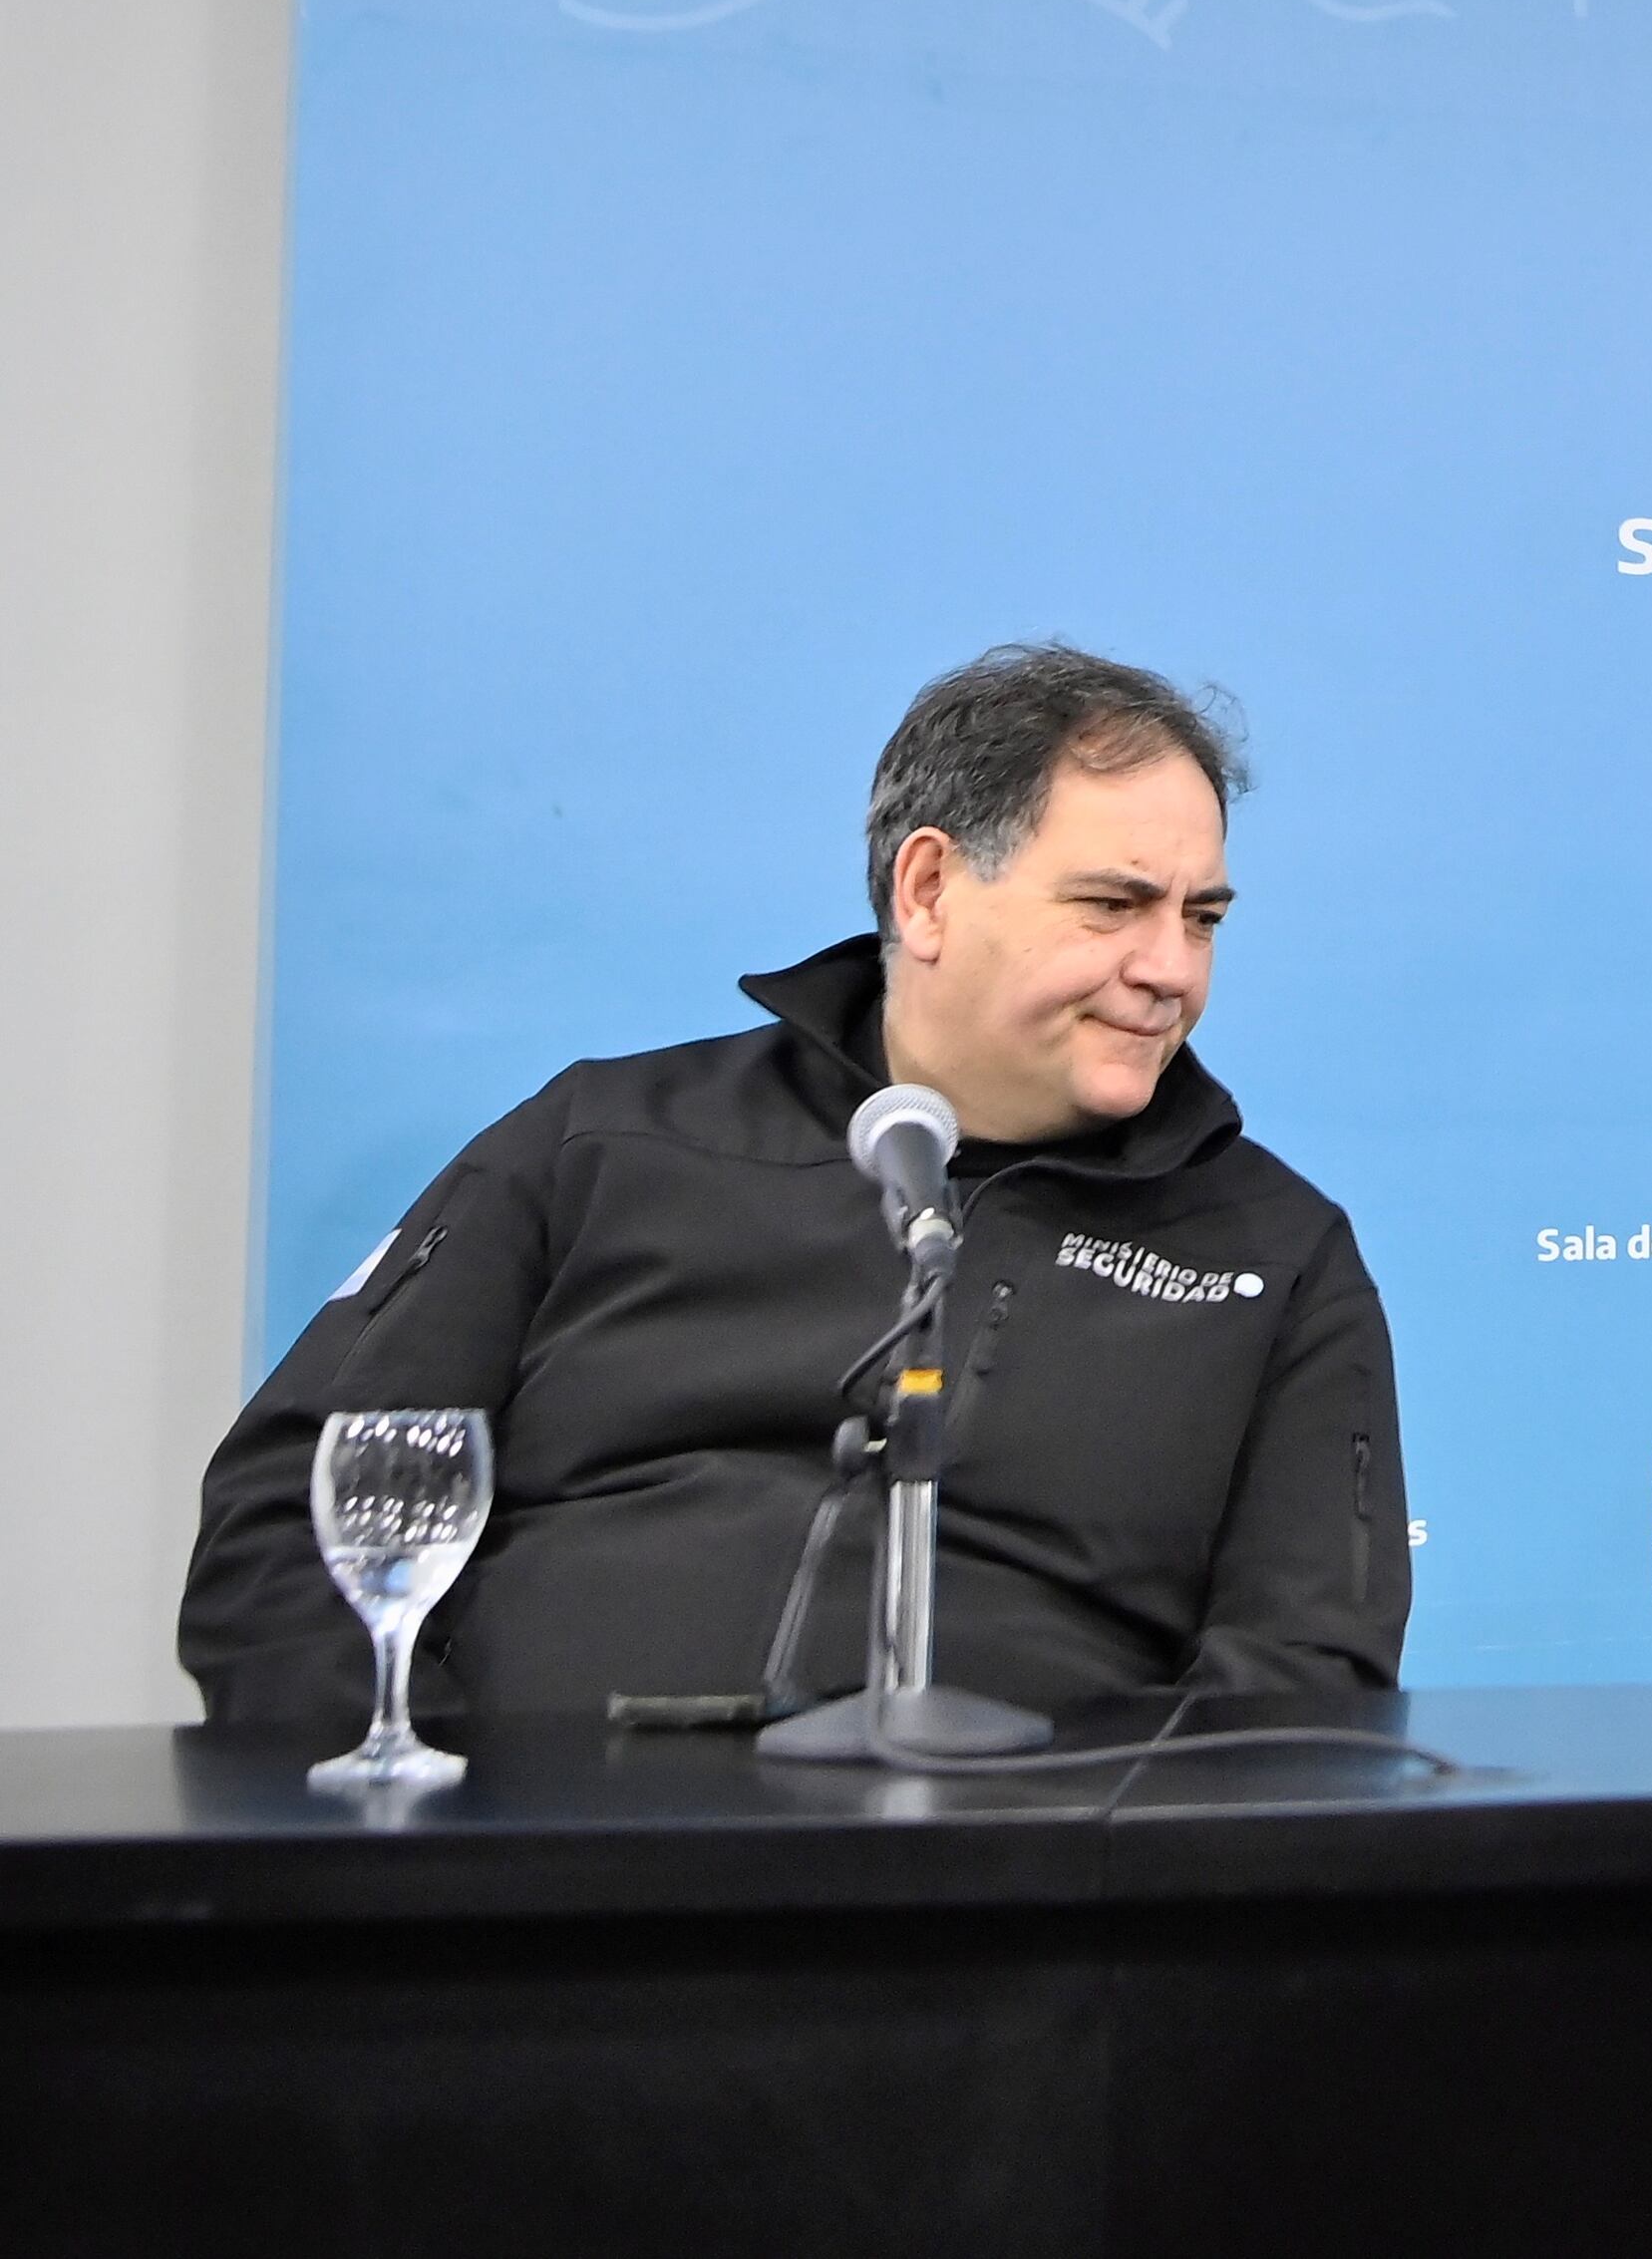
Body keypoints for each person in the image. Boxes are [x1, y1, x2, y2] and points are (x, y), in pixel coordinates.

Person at [182, 644, 1408, 1730]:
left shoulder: (1273, 1251)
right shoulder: (605, 1139)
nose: (1168, 970)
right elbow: (300, 1511)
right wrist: (443, 1838)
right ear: (927, 890)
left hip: (997, 1919)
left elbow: (1304, 1667)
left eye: (1202, 918)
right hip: (522, 1887)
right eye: (1113, 906)